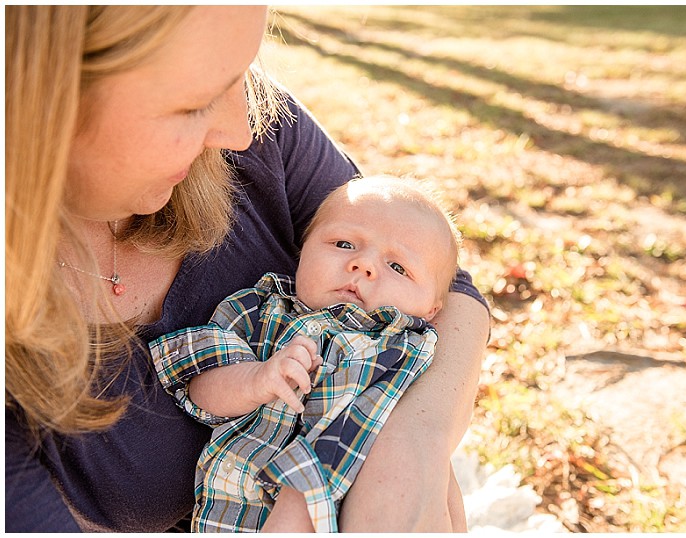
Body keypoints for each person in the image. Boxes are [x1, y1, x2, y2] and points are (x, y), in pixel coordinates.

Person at [5, 6, 490, 532]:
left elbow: (446, 280)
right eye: (193, 104)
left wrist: (414, 442)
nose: (242, 130)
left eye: (242, 74)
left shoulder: (261, 123)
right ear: (39, 104)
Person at [150, 175, 462, 532]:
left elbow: (382, 442)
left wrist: (299, 506)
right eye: (344, 243)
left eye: (397, 267)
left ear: (431, 310)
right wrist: (255, 379)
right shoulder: (259, 310)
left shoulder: (403, 348)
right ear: (304, 249)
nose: (364, 265)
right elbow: (198, 390)